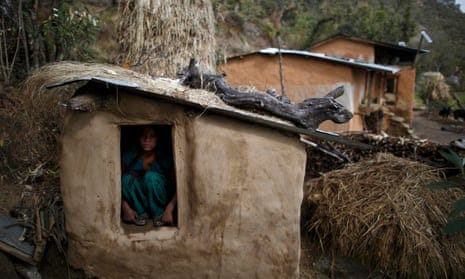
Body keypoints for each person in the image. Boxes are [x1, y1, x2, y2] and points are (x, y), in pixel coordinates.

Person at [121, 126, 176, 227]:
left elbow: (180, 186)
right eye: (143, 136)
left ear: (158, 139)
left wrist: (170, 209)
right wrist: (125, 208)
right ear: (138, 138)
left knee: (150, 177)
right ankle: (141, 213)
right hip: (139, 202)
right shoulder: (129, 156)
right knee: (125, 179)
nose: (147, 139)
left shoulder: (166, 158)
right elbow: (114, 184)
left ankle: (158, 213)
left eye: (152, 136)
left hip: (162, 201)